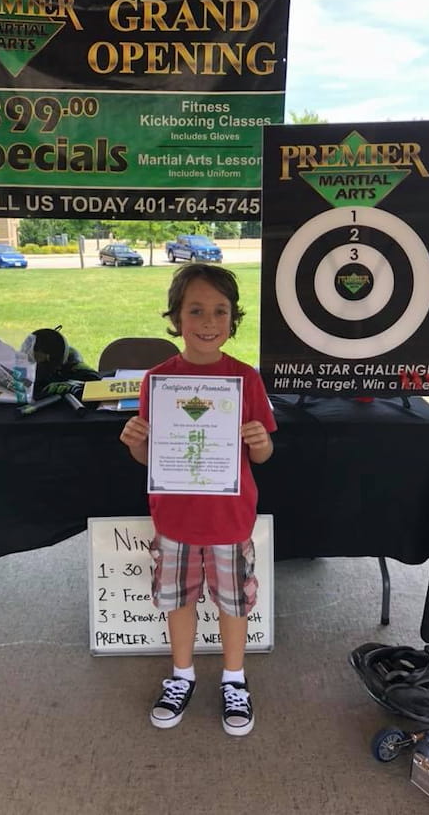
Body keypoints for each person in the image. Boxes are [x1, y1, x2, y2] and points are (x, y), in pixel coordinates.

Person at [120, 264, 276, 736]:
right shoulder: (158, 382)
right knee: (179, 601)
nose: (208, 322)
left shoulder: (246, 379)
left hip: (229, 519)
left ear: (233, 319)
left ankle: (234, 679)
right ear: (175, 318)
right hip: (176, 521)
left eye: (220, 311)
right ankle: (182, 674)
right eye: (196, 310)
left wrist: (257, 441)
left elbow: (265, 455)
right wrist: (135, 442)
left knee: (233, 604)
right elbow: (152, 457)